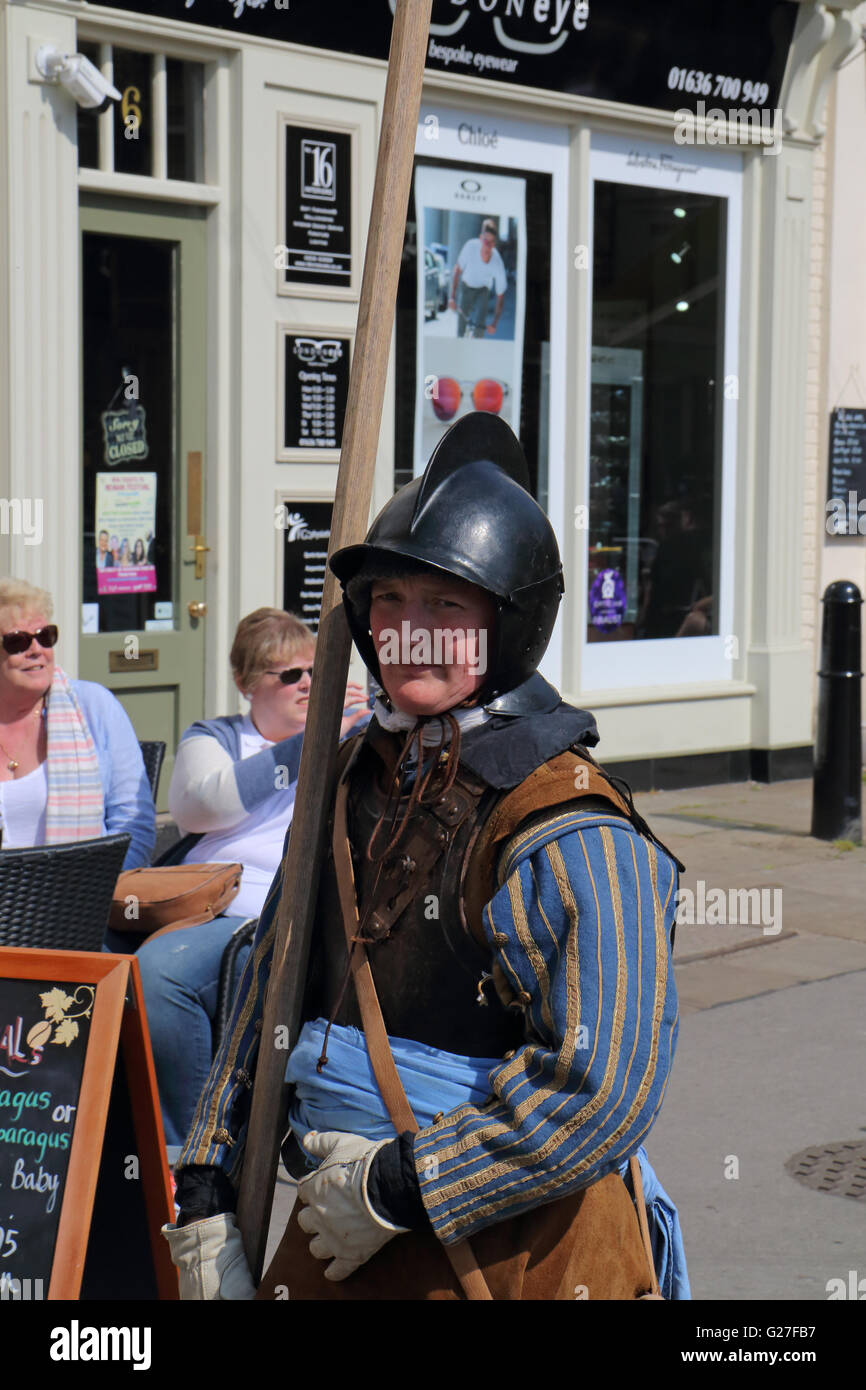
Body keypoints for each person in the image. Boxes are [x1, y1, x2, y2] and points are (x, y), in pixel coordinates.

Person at [164, 415, 689, 1301]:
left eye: (446, 606)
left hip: (516, 1250)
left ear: (508, 624)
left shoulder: (569, 828)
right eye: (390, 602)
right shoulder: (347, 783)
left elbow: (603, 1087)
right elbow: (271, 976)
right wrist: (208, 1182)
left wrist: (405, 1185)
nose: (409, 631)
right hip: (332, 1237)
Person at [133, 608, 369, 1148]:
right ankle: (138, 1134)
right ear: (246, 683)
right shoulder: (216, 736)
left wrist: (361, 724)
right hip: (203, 899)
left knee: (159, 973)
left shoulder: (355, 732)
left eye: (315, 671)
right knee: (117, 964)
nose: (308, 684)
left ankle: (191, 1147)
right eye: (289, 675)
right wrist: (311, 739)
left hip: (274, 906)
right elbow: (202, 806)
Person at [0, 578, 153, 868]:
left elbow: (135, 825)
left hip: (78, 901)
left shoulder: (95, 706)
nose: (37, 649)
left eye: (45, 636)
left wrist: (100, 891)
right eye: (18, 641)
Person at [449, 218, 508, 338]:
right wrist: (452, 297)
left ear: (494, 244)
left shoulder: (497, 262)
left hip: (483, 290)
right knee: (461, 327)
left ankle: (477, 342)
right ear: (481, 239)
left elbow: (500, 296)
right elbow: (457, 270)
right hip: (467, 286)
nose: (488, 247)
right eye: (486, 242)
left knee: (479, 326)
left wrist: (495, 324)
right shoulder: (470, 247)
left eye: (491, 243)